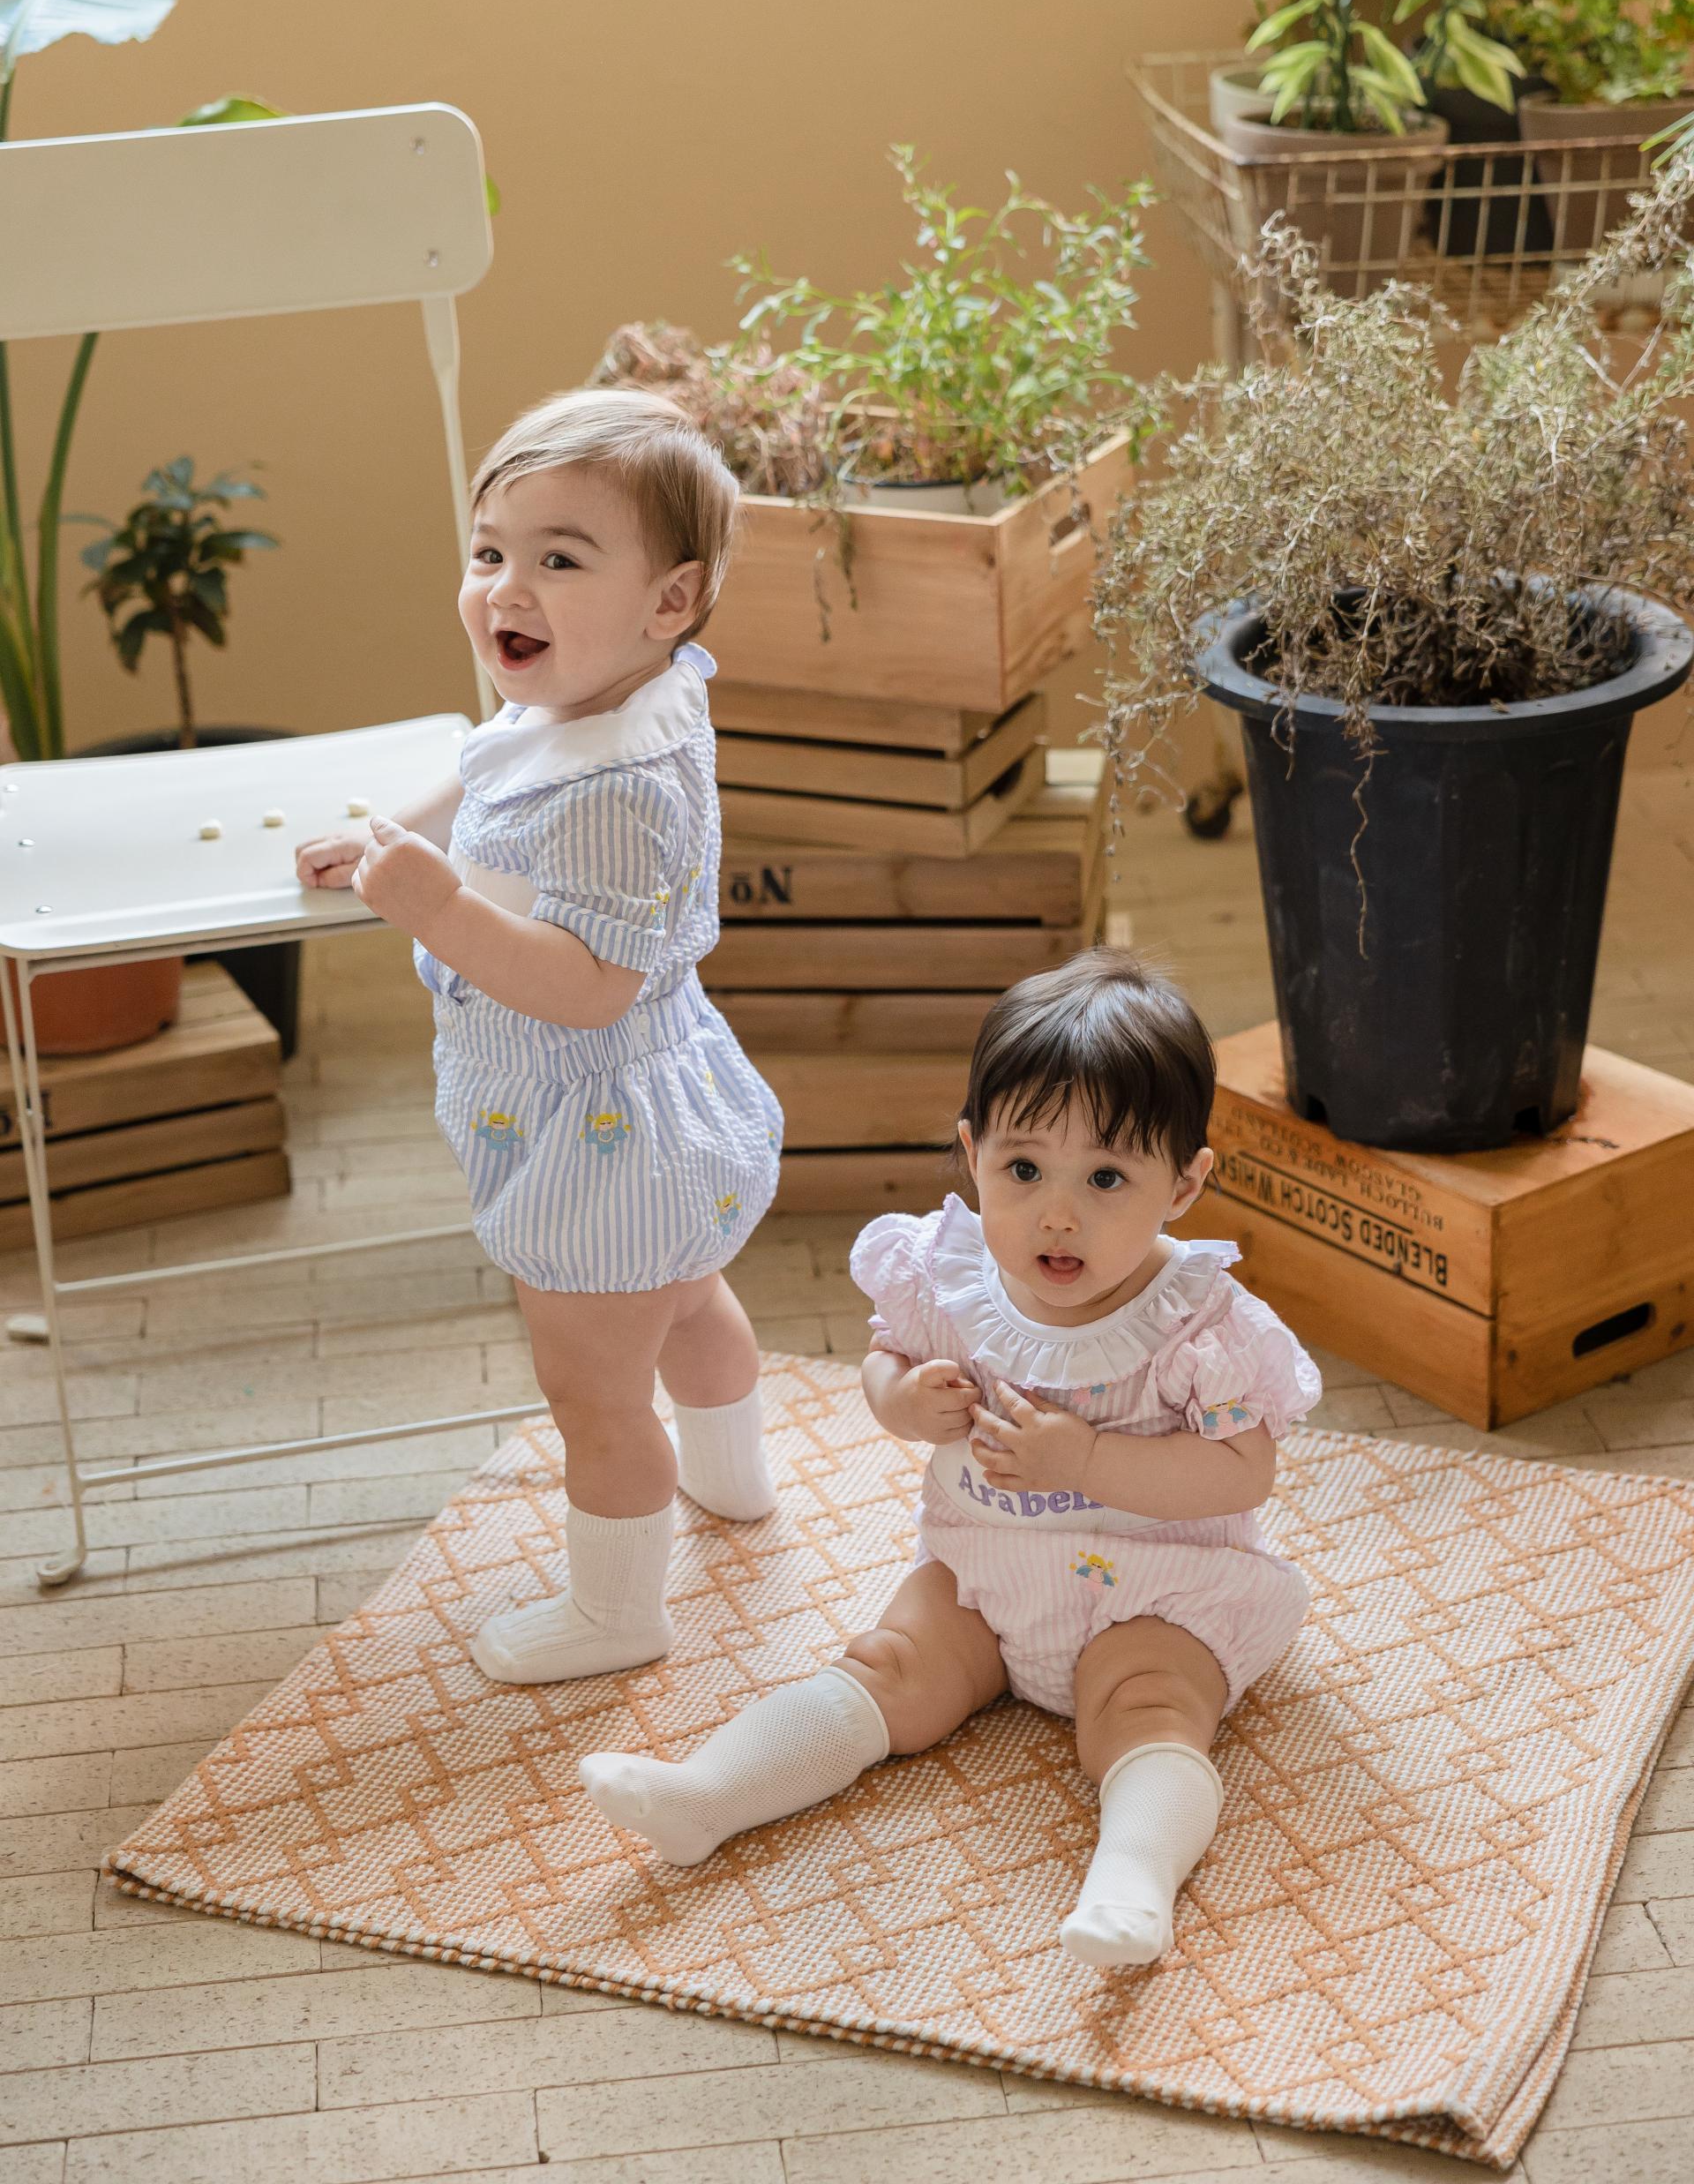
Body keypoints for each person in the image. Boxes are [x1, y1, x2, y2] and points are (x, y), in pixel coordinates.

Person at [578, 949, 1320, 1968]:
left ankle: (1134, 1882)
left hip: (1161, 1589)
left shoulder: (1201, 1324)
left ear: (1185, 1183)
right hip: (985, 1574)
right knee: (888, 1664)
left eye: (1107, 1178)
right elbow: (886, 1360)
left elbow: (1243, 1471)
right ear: (973, 1154)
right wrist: (901, 1399)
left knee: (1146, 1711)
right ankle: (707, 1794)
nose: (1059, 1213)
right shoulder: (948, 1276)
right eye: (1025, 1169)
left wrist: (1088, 1459)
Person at [297, 388, 783, 1685]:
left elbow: (586, 987)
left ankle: (619, 1615)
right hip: (659, 1116)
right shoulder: (602, 700)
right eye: (489, 552)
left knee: (594, 1390)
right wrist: (390, 835)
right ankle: (735, 1481)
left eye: (559, 560)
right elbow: (487, 767)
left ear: (671, 601)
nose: (506, 588)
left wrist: (436, 906)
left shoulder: (619, 790)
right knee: (688, 1301)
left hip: (600, 1136)